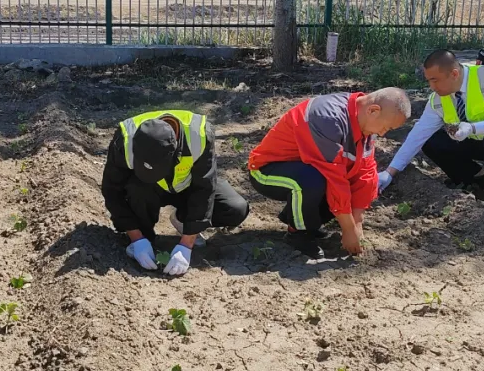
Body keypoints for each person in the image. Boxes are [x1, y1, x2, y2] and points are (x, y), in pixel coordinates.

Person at [247, 89, 411, 257]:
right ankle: (298, 233)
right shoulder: (327, 118)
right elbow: (333, 177)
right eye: (386, 127)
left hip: (306, 170)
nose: (383, 133)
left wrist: (357, 224)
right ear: (373, 110)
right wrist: (348, 229)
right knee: (314, 180)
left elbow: (366, 173)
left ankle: (301, 218)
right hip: (267, 170)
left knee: (334, 184)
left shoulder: (366, 124)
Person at [379, 50, 484, 209]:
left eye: (435, 80)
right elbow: (417, 135)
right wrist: (390, 172)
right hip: (478, 141)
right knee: (431, 140)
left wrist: (473, 128)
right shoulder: (438, 100)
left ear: (454, 74)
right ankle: (476, 178)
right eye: (429, 81)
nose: (432, 87)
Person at [101, 110, 249, 276]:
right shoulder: (125, 138)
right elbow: (111, 190)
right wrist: (137, 239)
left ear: (175, 153)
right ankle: (145, 238)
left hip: (188, 186)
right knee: (136, 188)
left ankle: (182, 220)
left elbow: (204, 189)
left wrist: (186, 245)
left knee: (235, 208)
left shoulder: (199, 136)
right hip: (148, 189)